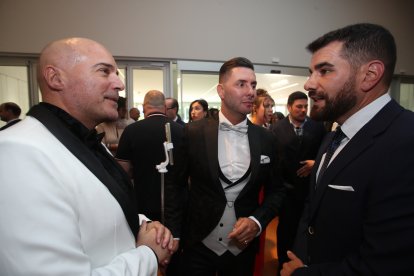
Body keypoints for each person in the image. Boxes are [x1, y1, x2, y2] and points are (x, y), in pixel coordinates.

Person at [0, 37, 174, 276]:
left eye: (117, 73)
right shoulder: (18, 151)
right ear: (55, 78)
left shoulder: (85, 141)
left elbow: (95, 210)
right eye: (104, 71)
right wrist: (148, 255)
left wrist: (143, 223)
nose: (120, 84)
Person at [281, 23, 414, 276]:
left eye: (325, 71)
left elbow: (388, 263)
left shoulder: (406, 141)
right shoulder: (332, 136)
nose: (308, 84)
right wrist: (299, 257)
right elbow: (313, 210)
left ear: (370, 74)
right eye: (311, 72)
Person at [165, 57, 285, 276]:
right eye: (241, 84)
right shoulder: (192, 133)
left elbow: (277, 191)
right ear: (221, 91)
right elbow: (175, 185)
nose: (251, 92)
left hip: (242, 249)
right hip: (197, 245)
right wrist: (174, 233)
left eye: (254, 85)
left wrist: (257, 221)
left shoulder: (267, 139)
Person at [269, 91, 326, 273]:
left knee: (307, 232)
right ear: (289, 107)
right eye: (299, 106)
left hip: (310, 190)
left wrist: (315, 164)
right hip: (286, 191)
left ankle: (303, 268)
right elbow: (273, 161)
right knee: (286, 231)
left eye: (305, 106)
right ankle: (283, 267)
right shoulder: (276, 129)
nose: (303, 110)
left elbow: (325, 153)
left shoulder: (317, 128)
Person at [116, 90, 184, 222]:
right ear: (164, 107)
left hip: (143, 200)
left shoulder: (131, 131)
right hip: (176, 202)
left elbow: (123, 171)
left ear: (143, 107)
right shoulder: (181, 130)